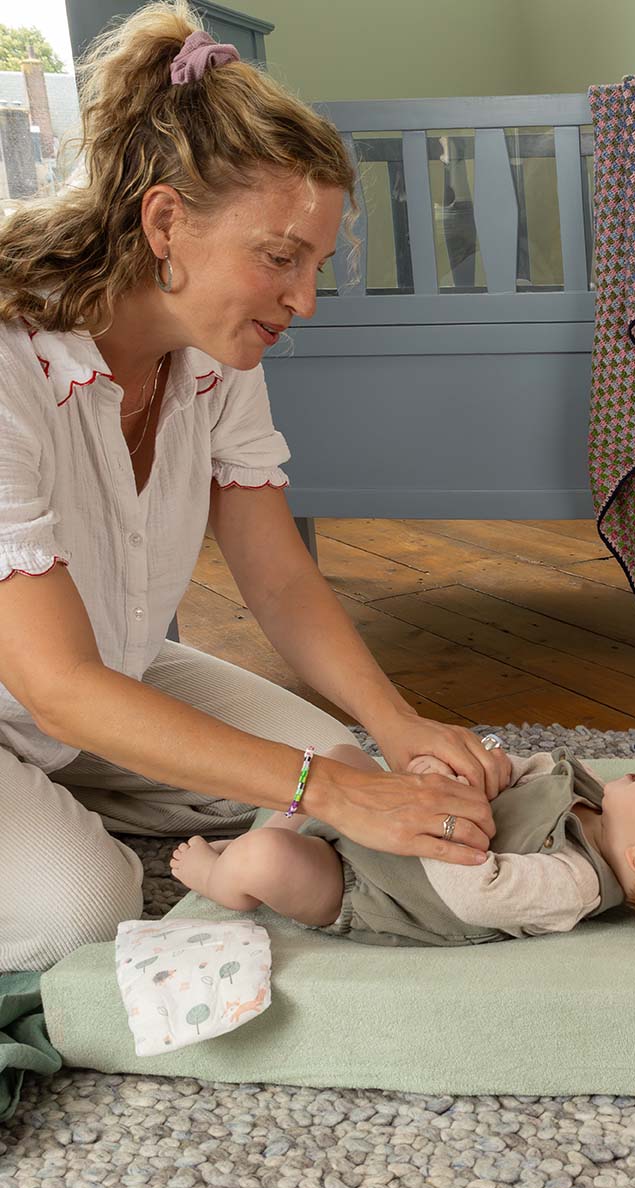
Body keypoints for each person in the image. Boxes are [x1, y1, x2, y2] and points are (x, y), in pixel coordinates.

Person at [0, 1, 510, 975]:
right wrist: (325, 792)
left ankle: (85, 791)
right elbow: (55, 685)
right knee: (82, 907)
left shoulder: (216, 354)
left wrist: (396, 731)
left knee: (348, 775)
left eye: (314, 265)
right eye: (280, 258)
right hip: (49, 691)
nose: (303, 299)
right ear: (165, 223)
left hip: (112, 677)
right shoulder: (11, 366)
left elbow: (276, 577)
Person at [169, 753, 635, 941]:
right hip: (385, 826)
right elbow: (528, 774)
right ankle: (284, 821)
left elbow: (475, 891)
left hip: (371, 883)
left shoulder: (571, 885)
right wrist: (478, 772)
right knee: (338, 759)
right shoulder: (597, 801)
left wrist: (451, 805)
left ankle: (223, 881)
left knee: (265, 862)